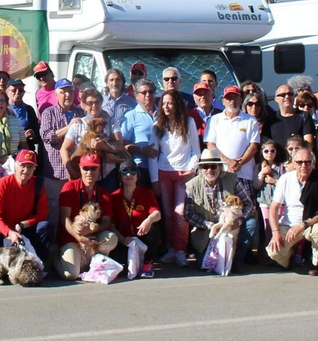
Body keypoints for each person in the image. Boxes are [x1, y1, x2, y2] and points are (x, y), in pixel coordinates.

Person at [184, 147, 257, 269]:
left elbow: (248, 204)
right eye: (205, 167)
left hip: (232, 227)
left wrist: (239, 220)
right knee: (204, 265)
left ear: (220, 167)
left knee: (252, 223)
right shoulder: (191, 186)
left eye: (213, 166)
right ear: (200, 168)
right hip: (206, 233)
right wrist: (210, 225)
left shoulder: (233, 179)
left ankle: (235, 261)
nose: (209, 170)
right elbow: (188, 214)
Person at [152, 89, 201, 267]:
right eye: (164, 103)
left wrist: (191, 170)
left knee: (180, 212)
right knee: (168, 213)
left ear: (178, 104)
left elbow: (196, 151)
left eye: (170, 103)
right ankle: (171, 248)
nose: (167, 106)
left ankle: (181, 249)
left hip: (183, 173)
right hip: (163, 172)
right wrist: (154, 180)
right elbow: (153, 154)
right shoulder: (158, 125)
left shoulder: (188, 122)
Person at [265, 147, 318, 274]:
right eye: (300, 162)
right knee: (273, 252)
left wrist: (302, 225)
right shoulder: (285, 179)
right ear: (294, 164)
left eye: (307, 162)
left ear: (313, 163)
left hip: (310, 223)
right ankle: (288, 259)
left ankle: (315, 262)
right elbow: (273, 208)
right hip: (288, 224)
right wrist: (275, 233)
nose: (303, 166)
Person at [56, 154, 119, 279]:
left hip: (93, 235)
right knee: (71, 275)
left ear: (99, 169)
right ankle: (56, 260)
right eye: (86, 168)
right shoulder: (69, 187)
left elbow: (107, 222)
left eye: (93, 168)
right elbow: (64, 218)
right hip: (71, 237)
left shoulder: (103, 193)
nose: (89, 172)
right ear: (80, 169)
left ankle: (95, 262)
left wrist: (92, 229)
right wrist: (79, 237)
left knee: (111, 238)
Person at [0, 150, 52, 262]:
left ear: (35, 168)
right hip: (3, 229)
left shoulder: (38, 184)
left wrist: (24, 224)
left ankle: (40, 263)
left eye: (30, 167)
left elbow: (42, 213)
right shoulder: (3, 183)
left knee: (45, 226)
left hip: (24, 228)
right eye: (23, 166)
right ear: (15, 166)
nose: (26, 170)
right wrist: (9, 232)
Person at [206, 86, 261, 194]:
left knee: (246, 204)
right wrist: (228, 162)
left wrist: (238, 164)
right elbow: (210, 145)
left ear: (241, 100)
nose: (232, 101)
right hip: (221, 173)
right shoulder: (214, 120)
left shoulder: (251, 120)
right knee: (223, 204)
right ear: (223, 101)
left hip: (244, 175)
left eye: (235, 97)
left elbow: (254, 146)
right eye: (229, 98)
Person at [107, 161, 162, 261]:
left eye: (133, 171)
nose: (129, 174)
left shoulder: (147, 193)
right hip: (124, 240)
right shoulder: (113, 197)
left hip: (142, 238)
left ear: (137, 176)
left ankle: (148, 261)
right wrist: (123, 240)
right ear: (120, 176)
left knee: (154, 227)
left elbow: (157, 214)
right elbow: (111, 226)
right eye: (125, 172)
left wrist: (148, 220)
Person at [38, 78, 79, 205]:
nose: (68, 95)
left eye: (70, 91)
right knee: (53, 208)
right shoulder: (48, 113)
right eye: (63, 92)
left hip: (77, 171)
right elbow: (46, 136)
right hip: (55, 172)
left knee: (75, 207)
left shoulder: (80, 112)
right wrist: (69, 127)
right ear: (56, 95)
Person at [118, 81, 161, 188]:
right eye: (144, 92)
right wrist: (142, 150)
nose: (148, 95)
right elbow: (122, 145)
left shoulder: (162, 114)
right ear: (136, 96)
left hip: (162, 167)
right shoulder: (130, 116)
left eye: (151, 92)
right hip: (140, 168)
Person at [268, 83, 313, 155]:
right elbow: (266, 144)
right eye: (283, 95)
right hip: (277, 160)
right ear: (276, 99)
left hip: (298, 160)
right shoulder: (270, 119)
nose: (287, 97)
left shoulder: (304, 116)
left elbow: (309, 144)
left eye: (290, 94)